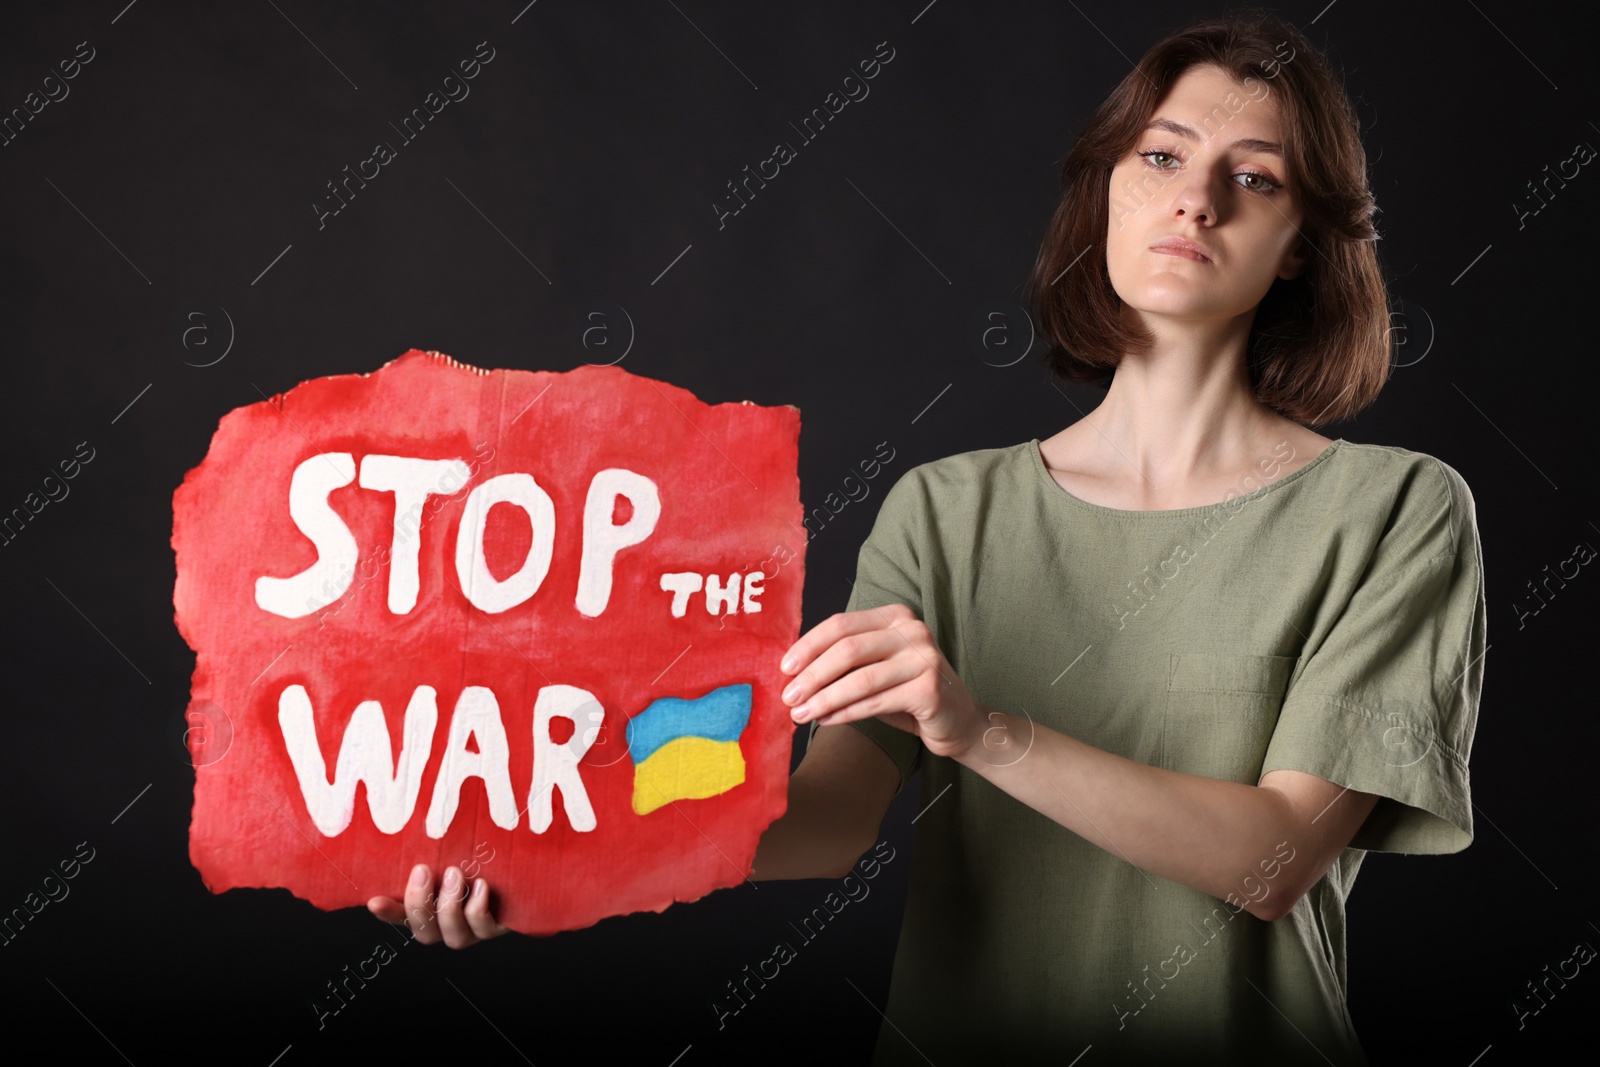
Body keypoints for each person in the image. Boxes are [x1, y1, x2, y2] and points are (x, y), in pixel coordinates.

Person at [371, 9, 1487, 1065]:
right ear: (1104, 186)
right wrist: (541, 843)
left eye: (1253, 177)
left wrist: (985, 731)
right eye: (1160, 157)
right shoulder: (945, 510)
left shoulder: (1393, 509)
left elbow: (1276, 857)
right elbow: (823, 819)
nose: (1195, 199)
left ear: (1299, 242)